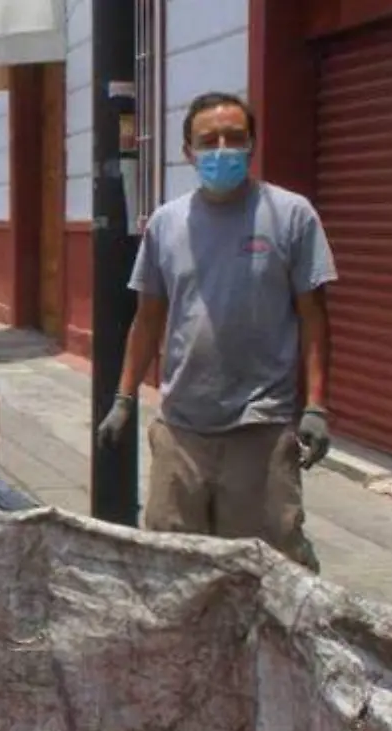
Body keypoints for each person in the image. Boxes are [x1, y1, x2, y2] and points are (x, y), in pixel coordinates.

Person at [96, 91, 335, 570]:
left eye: (234, 138)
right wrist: (123, 399)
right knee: (171, 563)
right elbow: (147, 319)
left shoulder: (292, 215)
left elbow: (313, 317)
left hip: (261, 428)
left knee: (267, 568)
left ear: (251, 145)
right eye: (209, 140)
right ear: (188, 152)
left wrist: (316, 406)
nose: (222, 149)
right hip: (181, 428)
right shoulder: (166, 224)